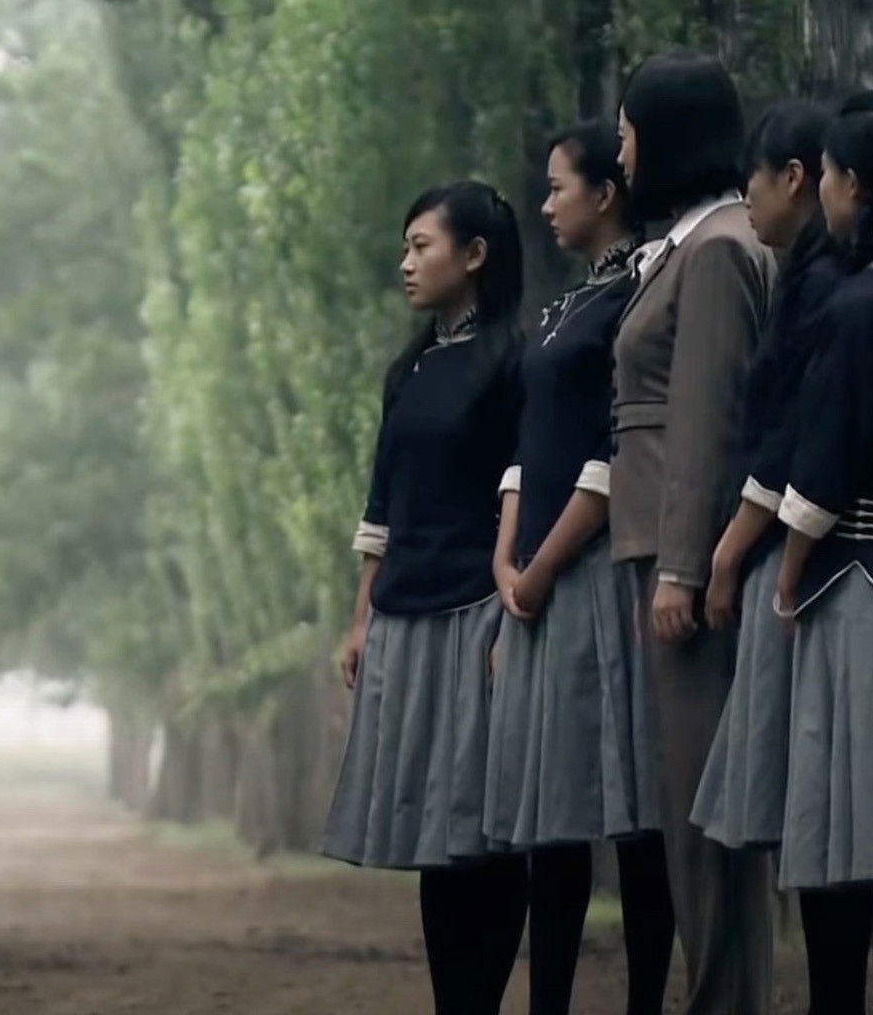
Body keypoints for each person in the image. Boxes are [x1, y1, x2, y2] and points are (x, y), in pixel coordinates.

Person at [322, 180, 528, 1014]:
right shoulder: (407, 371)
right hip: (405, 617)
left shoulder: (514, 362)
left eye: (421, 246)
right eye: (404, 248)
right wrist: (361, 616)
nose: (405, 263)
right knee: (435, 836)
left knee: (484, 828)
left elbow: (523, 490)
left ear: (474, 256)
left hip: (480, 614)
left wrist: (513, 611)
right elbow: (383, 506)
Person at [483, 121, 675, 1015]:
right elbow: (532, 443)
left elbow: (613, 450)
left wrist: (544, 565)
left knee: (632, 816)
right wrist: (507, 557)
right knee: (552, 818)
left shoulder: (640, 291)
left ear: (606, 193)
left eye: (560, 187)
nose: (547, 203)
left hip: (596, 571)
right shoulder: (563, 307)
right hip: (536, 579)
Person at [611, 49, 777, 1013]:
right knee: (687, 807)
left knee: (706, 812)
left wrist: (680, 567)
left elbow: (706, 421)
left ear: (667, 137)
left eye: (629, 133)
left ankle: (729, 997)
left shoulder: (716, 248)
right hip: (659, 550)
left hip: (689, 564)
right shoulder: (692, 244)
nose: (621, 155)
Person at [774, 87, 873, 1013]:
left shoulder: (862, 305)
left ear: (855, 185)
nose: (823, 192)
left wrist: (788, 579)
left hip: (866, 585)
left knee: (842, 835)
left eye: (828, 175)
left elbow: (823, 463)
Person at [690, 101, 842, 860]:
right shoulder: (803, 277)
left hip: (800, 552)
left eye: (753, 176)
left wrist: (728, 553)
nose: (745, 194)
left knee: (811, 789)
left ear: (794, 178)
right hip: (786, 542)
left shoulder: (826, 285)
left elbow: (791, 432)